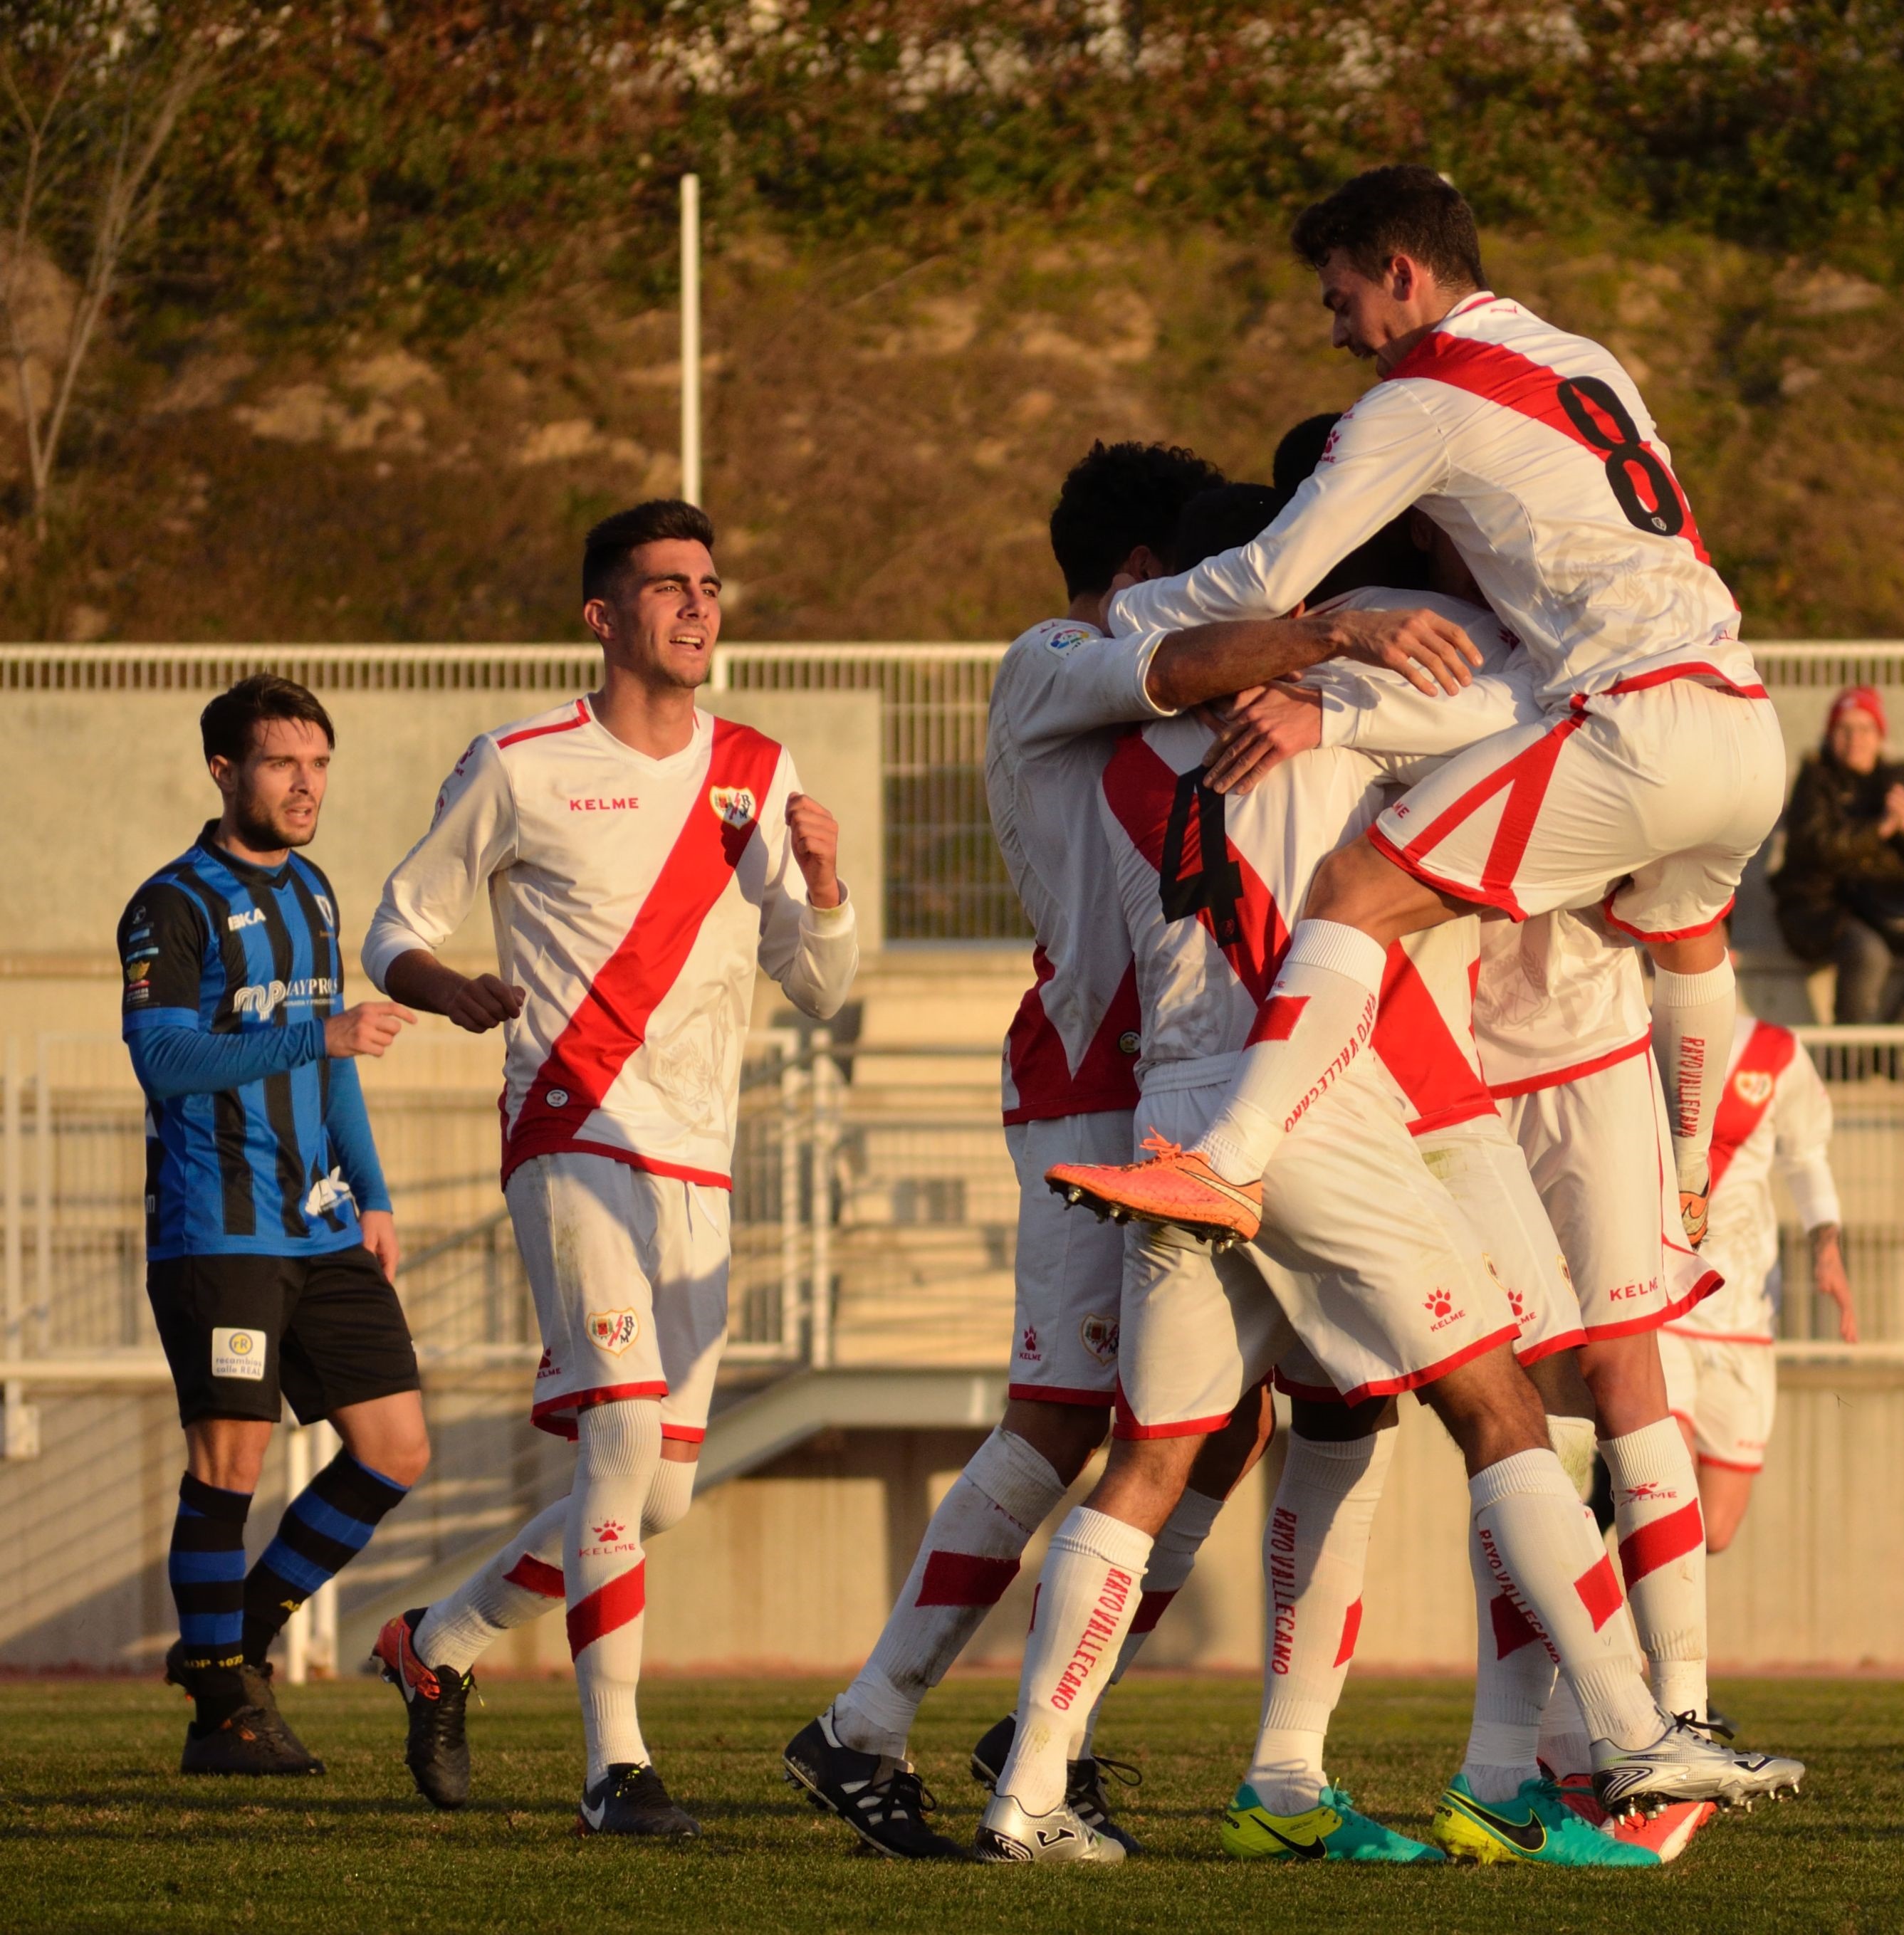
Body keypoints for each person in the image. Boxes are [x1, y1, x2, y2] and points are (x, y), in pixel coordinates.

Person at [1003, 487, 1801, 1865]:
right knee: (1497, 1397)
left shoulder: (1122, 720)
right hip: (1307, 1094)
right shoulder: (1352, 669)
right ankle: (1631, 1727)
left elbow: (1173, 674)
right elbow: (1529, 722)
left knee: (1145, 1465)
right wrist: (1351, 666)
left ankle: (1028, 1792)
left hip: (1173, 1101)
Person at [777, 446, 1465, 1861]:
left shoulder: (1198, 690)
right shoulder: (1053, 656)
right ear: (1148, 579)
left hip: (1164, 1069)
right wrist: (1331, 629)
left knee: (1207, 1424)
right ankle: (866, 1721)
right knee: (1067, 1420)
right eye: (1211, 585)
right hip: (1097, 1076)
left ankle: (1036, 1732)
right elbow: (1167, 672)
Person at [1046, 162, 1787, 1264]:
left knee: (1355, 888)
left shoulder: (1415, 400)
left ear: (1401, 271)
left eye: (1341, 300)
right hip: (1744, 717)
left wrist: (1135, 610)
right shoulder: (1582, 357)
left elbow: (1266, 575)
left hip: (1636, 724)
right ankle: (1687, 1191)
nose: (1340, 335)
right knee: (1686, 931)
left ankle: (1229, 1159)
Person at [355, 500, 860, 1835]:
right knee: (626, 1432)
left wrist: (824, 884)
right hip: (569, 1131)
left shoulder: (756, 765)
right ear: (602, 616)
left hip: (699, 1157)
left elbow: (816, 987)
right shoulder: (521, 762)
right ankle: (614, 1767)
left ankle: (438, 1641)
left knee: (655, 1490)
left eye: (709, 583)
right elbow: (391, 922)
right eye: (667, 586)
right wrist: (449, 987)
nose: (699, 607)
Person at [123, 673, 429, 1776]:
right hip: (220, 1231)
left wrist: (376, 1190)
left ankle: (228, 1647)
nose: (307, 785)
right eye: (282, 763)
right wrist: (321, 1038)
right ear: (224, 770)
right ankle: (224, 1719)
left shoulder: (314, 891)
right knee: (231, 1460)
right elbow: (163, 1059)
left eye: (320, 763)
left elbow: (332, 1055)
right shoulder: (171, 903)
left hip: (324, 1226)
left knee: (396, 1451)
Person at [1661, 1018, 1851, 1559]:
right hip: (1663, 1305)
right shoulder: (1639, 1029)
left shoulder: (1776, 1053)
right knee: (1663, 1497)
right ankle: (1641, 1641)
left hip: (1741, 1313)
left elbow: (1806, 1156)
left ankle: (1605, 1530)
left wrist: (1827, 1249)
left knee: (1713, 1532)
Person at [1773, 685, 1904, 1029]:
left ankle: (1895, 1049)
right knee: (1868, 954)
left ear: (1880, 736)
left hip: (1886, 903)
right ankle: (1850, 1061)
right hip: (1823, 905)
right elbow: (1818, 847)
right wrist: (1879, 830)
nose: (1856, 739)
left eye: (1865, 729)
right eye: (1845, 729)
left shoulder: (1896, 777)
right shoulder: (1814, 780)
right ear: (1830, 734)